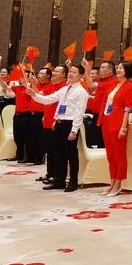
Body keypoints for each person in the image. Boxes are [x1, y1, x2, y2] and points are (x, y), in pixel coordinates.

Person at [28, 63, 92, 192]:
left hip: (70, 124)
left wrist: (74, 130)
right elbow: (48, 100)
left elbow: (79, 113)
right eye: (70, 72)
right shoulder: (65, 89)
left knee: (71, 155)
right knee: (58, 154)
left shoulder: (81, 92)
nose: (71, 74)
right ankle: (59, 181)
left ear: (81, 75)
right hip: (59, 123)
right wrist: (34, 94)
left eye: (74, 72)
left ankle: (73, 182)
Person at [98, 62, 132, 197]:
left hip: (119, 122)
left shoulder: (130, 87)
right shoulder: (113, 85)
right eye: (118, 68)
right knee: (110, 155)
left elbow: (128, 109)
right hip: (107, 120)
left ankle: (118, 184)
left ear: (127, 71)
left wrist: (123, 127)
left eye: (121, 68)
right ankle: (112, 182)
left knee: (119, 155)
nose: (118, 70)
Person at [84, 60, 115, 148]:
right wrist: (87, 69)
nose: (100, 69)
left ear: (110, 70)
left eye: (103, 67)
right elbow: (90, 85)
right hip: (97, 114)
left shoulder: (113, 82)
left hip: (105, 116)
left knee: (103, 142)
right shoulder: (103, 82)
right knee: (97, 140)